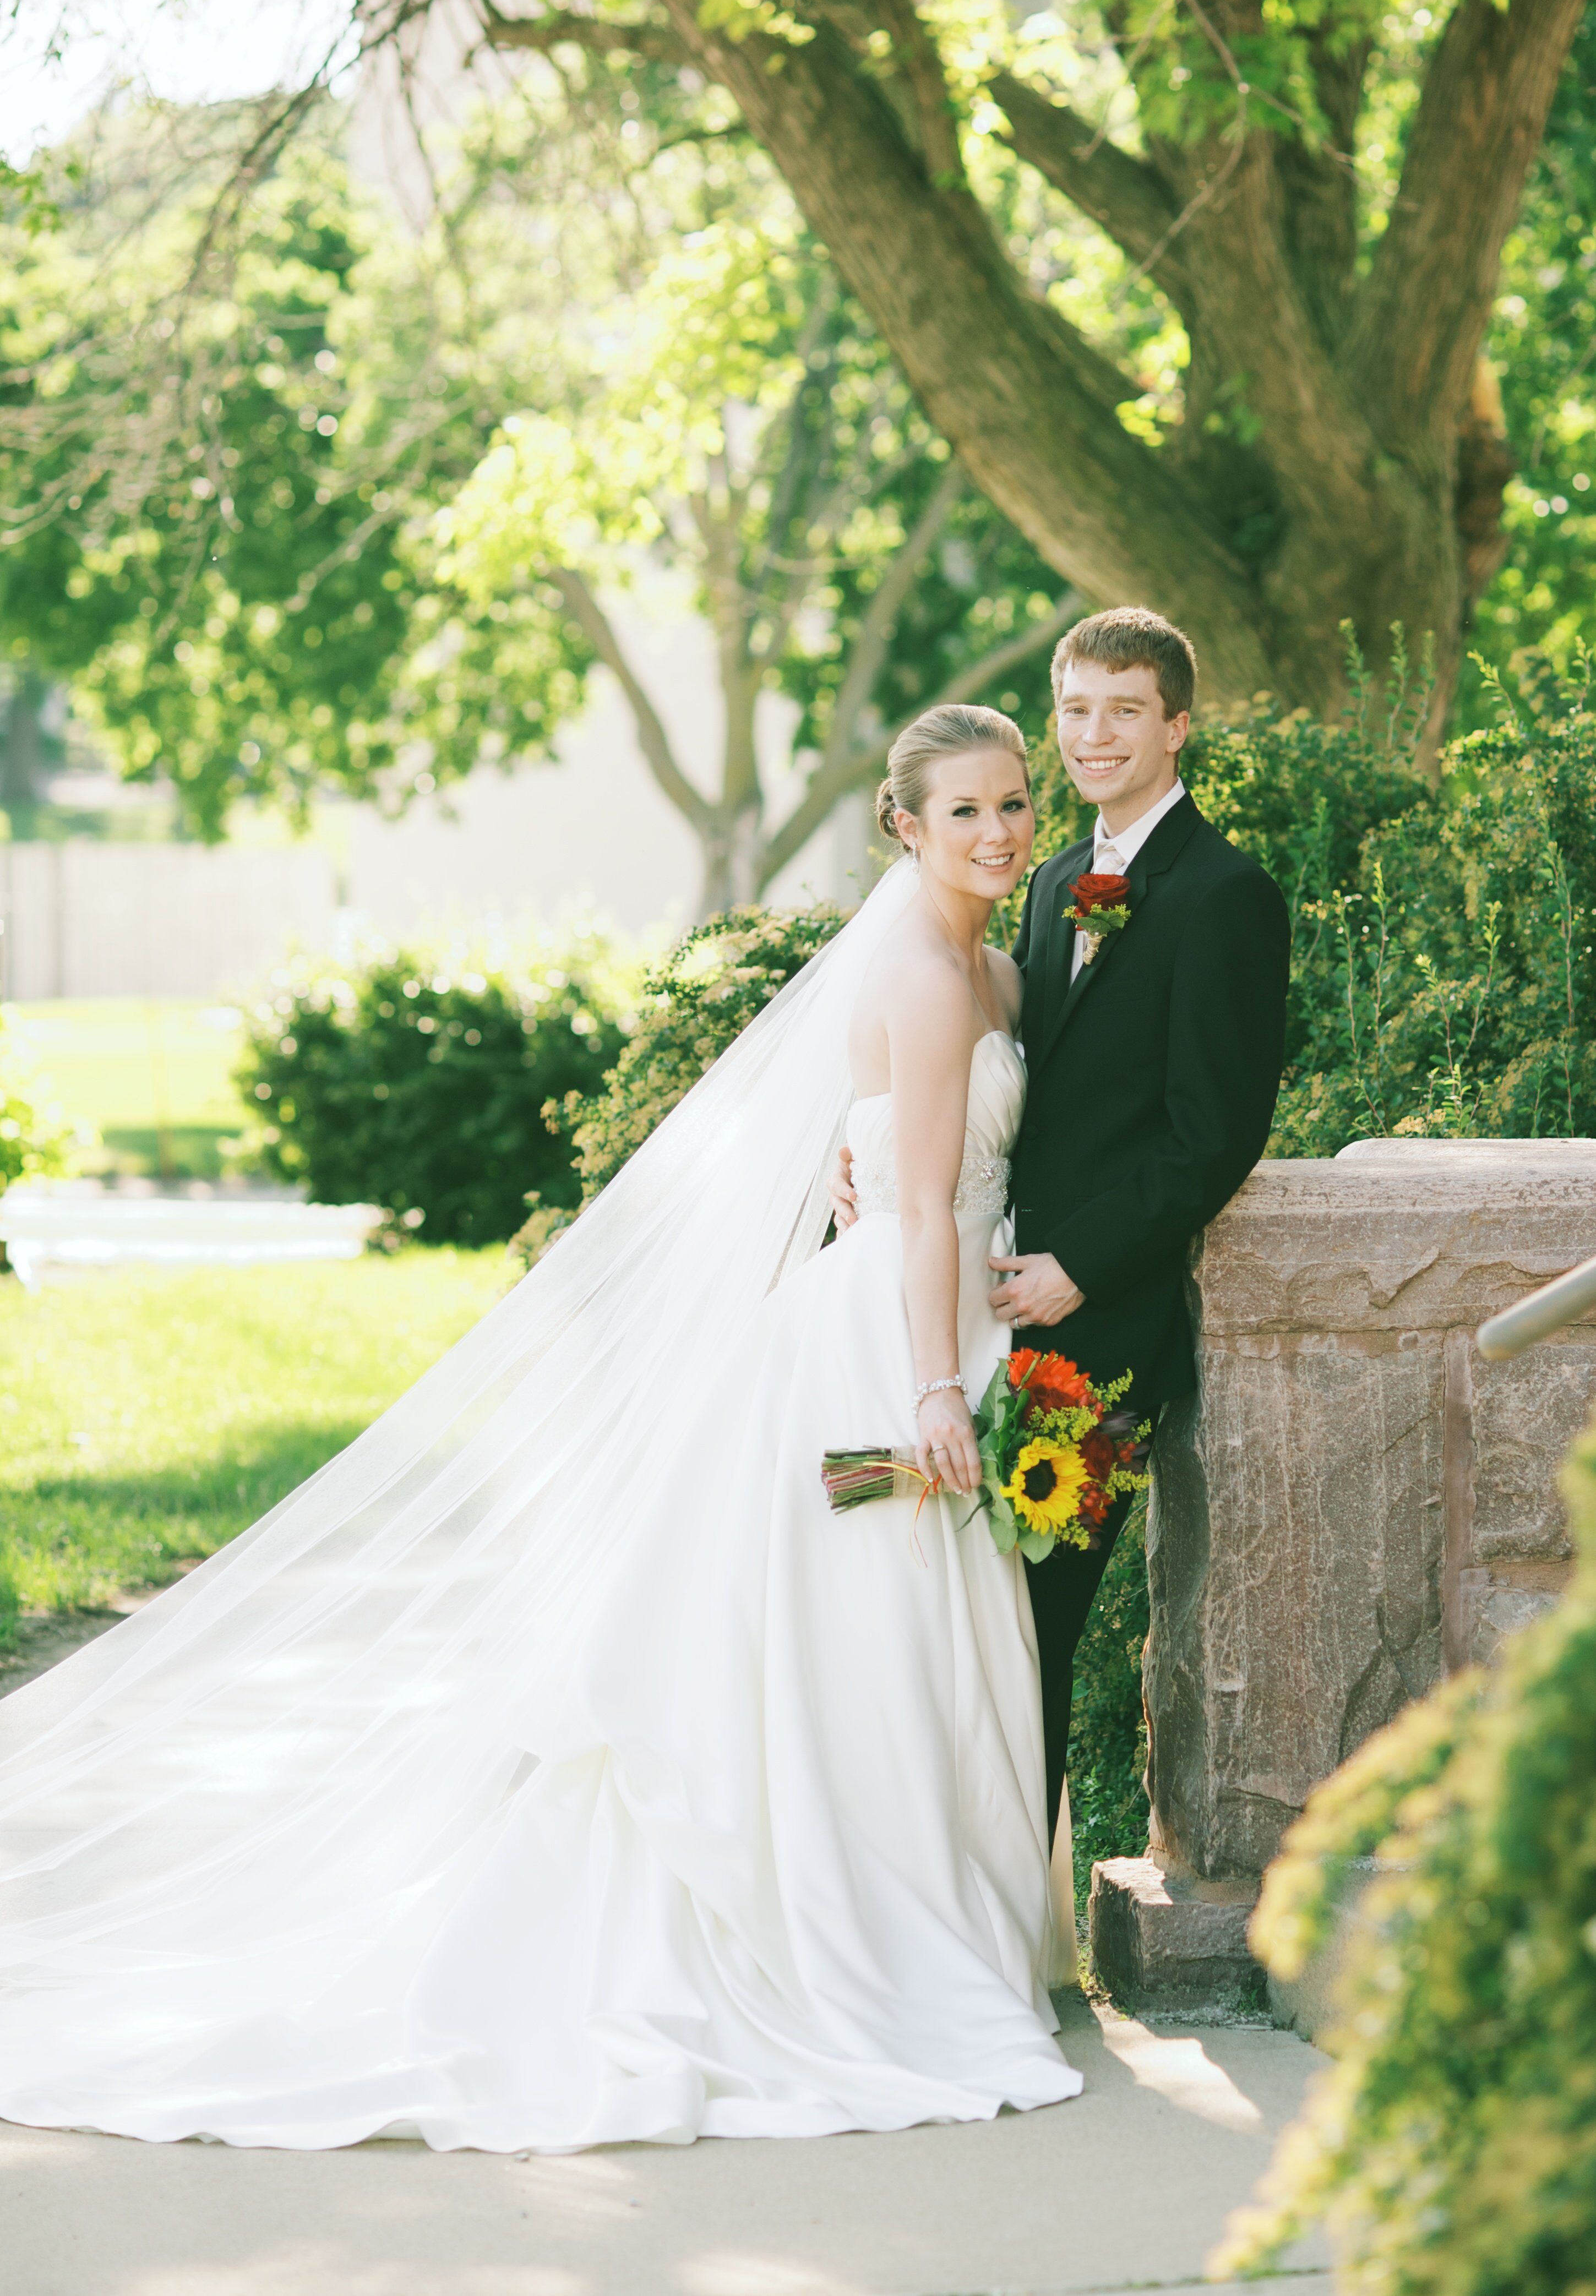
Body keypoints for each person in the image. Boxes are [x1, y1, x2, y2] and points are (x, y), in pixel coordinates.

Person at [0, 702, 1083, 2156]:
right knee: (868, 1651)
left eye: (1013, 802)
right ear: (903, 825)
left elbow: (889, 1162)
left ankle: (914, 1920)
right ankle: (855, 1936)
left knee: (903, 1648)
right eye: (964, 810)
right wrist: (939, 1387)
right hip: (889, 1352)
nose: (999, 831)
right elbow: (913, 1195)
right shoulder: (932, 976)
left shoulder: (991, 965)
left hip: (924, 1308)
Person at [832, 610, 1291, 1842]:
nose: (1094, 736)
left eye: (1125, 710)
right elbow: (989, 1082)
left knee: (1035, 1630)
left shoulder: (1226, 896)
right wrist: (867, 1145)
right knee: (956, 1634)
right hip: (976, 1309)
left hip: (1099, 1329)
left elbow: (1213, 1132)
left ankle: (996, 1932)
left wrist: (1080, 1269)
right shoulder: (1037, 885)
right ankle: (954, 1913)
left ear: (1177, 726)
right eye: (1076, 709)